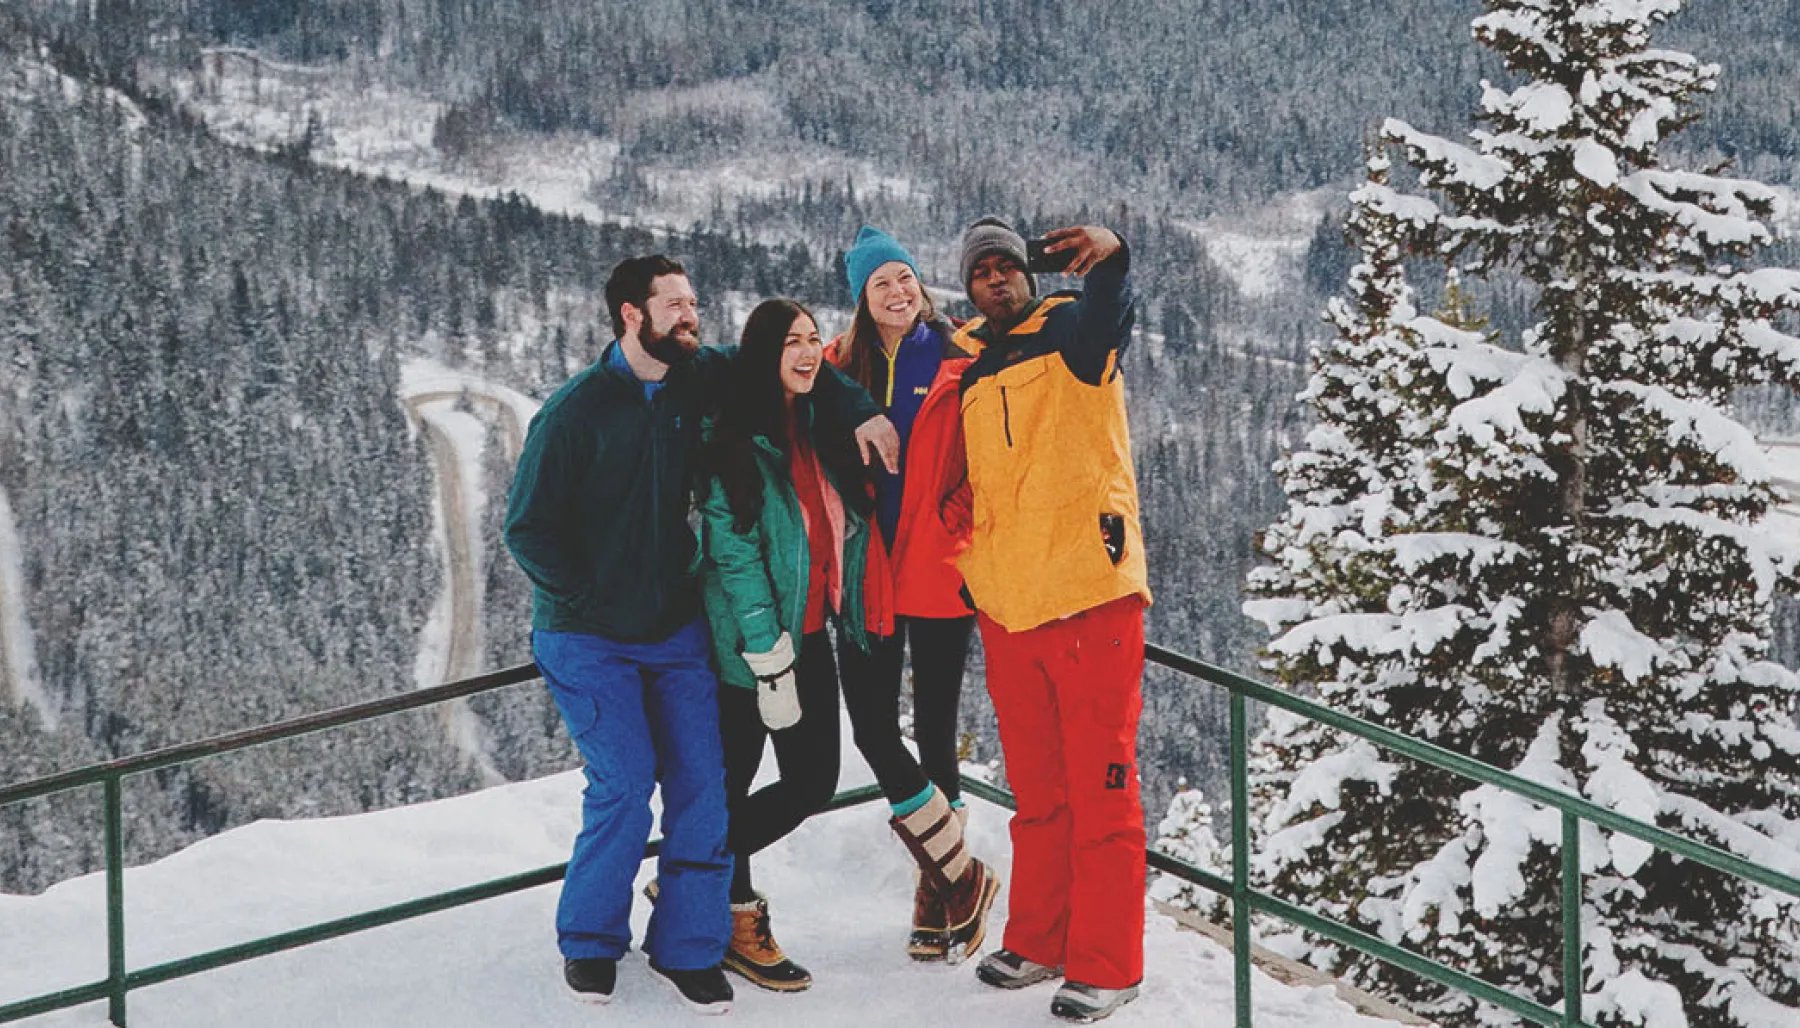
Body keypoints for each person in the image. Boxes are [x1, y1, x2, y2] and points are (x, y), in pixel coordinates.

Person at [504, 255, 897, 1014]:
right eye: (676, 304)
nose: (692, 315)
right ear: (630, 314)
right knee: (624, 786)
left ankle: (688, 946)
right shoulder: (574, 413)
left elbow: (783, 358)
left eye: (693, 302)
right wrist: (594, 597)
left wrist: (858, 410)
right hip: (587, 634)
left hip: (674, 628)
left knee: (702, 791)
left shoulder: (693, 376)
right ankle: (590, 943)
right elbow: (526, 532)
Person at [696, 298, 999, 993]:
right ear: (761, 354)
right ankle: (730, 914)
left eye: (811, 339)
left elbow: (848, 525)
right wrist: (764, 651)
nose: (806, 353)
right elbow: (735, 553)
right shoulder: (735, 434)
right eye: (789, 344)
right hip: (753, 645)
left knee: (811, 781)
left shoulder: (817, 422)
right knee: (731, 780)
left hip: (810, 634)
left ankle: (691, 876)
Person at [949, 218, 1150, 1023]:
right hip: (1009, 606)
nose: (996, 280)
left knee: (1103, 790)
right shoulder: (969, 368)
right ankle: (1040, 938)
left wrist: (1112, 265)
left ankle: (1109, 963)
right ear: (968, 288)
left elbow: (1110, 318)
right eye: (980, 273)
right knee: (1038, 792)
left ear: (1028, 275)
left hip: (1090, 595)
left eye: (1007, 267)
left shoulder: (1070, 331)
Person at [827, 227, 983, 960]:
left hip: (941, 567)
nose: (899, 292)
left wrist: (956, 518)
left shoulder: (958, 355)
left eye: (906, 278)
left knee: (934, 725)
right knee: (870, 727)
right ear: (862, 296)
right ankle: (959, 870)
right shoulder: (836, 364)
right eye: (882, 282)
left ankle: (936, 882)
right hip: (867, 572)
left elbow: (990, 451)